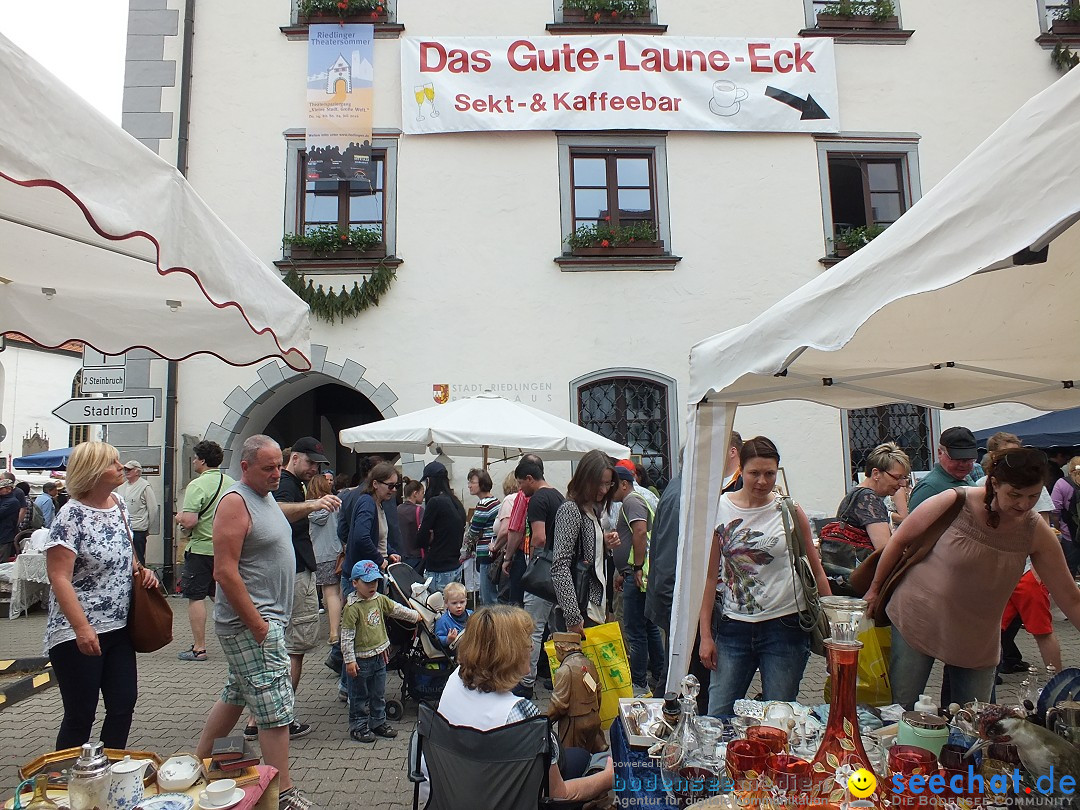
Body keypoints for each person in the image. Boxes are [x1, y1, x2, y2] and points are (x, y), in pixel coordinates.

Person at [864, 447, 1080, 708]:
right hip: (918, 617)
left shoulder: (1036, 532)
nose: (1023, 504)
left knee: (973, 719)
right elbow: (898, 542)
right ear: (994, 484)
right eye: (1014, 495)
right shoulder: (954, 501)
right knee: (902, 709)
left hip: (976, 636)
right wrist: (874, 590)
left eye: (1033, 496)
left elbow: (1070, 597)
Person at [194, 435, 312, 810]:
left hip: (262, 621)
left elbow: (278, 520)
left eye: (280, 465)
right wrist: (260, 626)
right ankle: (283, 794)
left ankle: (199, 764)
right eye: (268, 468)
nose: (277, 473)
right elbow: (224, 572)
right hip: (253, 624)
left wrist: (311, 505)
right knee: (275, 709)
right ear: (245, 467)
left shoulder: (264, 496)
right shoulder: (235, 501)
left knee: (236, 693)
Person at [698, 436, 832, 717]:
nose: (762, 481)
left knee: (778, 715)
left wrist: (832, 628)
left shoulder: (790, 510)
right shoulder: (719, 508)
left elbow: (816, 569)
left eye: (769, 473)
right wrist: (706, 636)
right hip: (733, 627)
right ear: (741, 471)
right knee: (718, 713)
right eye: (754, 473)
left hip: (785, 627)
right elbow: (710, 578)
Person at [42, 442, 160, 749]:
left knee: (122, 706)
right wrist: (82, 628)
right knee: (81, 715)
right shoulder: (71, 515)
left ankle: (110, 775)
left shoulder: (119, 503)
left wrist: (140, 569)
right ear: (92, 471)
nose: (120, 467)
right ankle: (65, 782)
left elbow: (124, 552)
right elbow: (58, 577)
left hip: (119, 627)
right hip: (77, 632)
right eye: (113, 463)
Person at [435, 605, 613, 803]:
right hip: (499, 797)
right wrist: (609, 778)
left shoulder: (455, 679)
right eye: (527, 641)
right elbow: (558, 794)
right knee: (585, 760)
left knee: (576, 755)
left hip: (456, 788)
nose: (532, 646)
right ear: (509, 653)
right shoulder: (518, 712)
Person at [267, 436, 342, 741]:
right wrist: (313, 503)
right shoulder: (285, 484)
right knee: (294, 649)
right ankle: (282, 717)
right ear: (294, 458)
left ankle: (259, 719)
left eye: (318, 464)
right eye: (310, 462)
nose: (314, 469)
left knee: (282, 649)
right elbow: (277, 511)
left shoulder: (289, 482)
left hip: (292, 569)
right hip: (294, 572)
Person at [341, 560, 419, 743]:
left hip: (380, 656)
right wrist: (349, 660)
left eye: (375, 582)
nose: (372, 586)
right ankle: (358, 726)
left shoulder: (379, 599)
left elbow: (396, 609)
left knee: (378, 692)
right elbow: (346, 637)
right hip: (361, 659)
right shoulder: (352, 608)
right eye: (367, 583)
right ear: (354, 583)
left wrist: (416, 616)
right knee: (359, 696)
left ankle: (378, 721)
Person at [820, 442, 911, 595]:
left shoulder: (854, 494)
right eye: (897, 478)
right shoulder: (868, 499)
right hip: (861, 586)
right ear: (876, 473)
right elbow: (884, 549)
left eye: (904, 478)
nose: (901, 484)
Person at [508, 456, 563, 699]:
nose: (521, 488)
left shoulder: (538, 499)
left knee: (533, 628)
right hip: (560, 572)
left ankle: (526, 682)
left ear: (530, 479)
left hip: (543, 573)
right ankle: (561, 677)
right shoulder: (558, 496)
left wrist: (534, 563)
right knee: (556, 629)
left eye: (521, 483)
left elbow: (539, 537)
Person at [176, 440, 234, 662]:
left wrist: (180, 517)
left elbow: (190, 520)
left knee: (195, 595)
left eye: (195, 458)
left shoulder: (196, 485)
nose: (193, 461)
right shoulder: (231, 482)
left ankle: (199, 647)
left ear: (201, 460)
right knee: (223, 595)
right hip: (226, 548)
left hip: (201, 548)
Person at [552, 449, 619, 638]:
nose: (604, 490)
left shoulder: (591, 510)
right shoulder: (570, 510)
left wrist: (603, 546)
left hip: (592, 607)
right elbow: (560, 566)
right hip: (580, 610)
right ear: (585, 479)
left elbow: (585, 556)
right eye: (599, 483)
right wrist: (573, 617)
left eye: (608, 483)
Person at [611, 464, 663, 695]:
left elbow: (640, 532)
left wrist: (637, 568)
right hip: (636, 573)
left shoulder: (631, 500)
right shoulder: (637, 499)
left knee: (635, 631)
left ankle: (640, 683)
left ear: (624, 484)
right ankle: (660, 674)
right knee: (649, 627)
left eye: (612, 486)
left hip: (638, 574)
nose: (609, 492)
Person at [415, 461, 467, 592]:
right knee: (454, 609)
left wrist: (429, 536)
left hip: (438, 568)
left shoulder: (435, 502)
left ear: (429, 480)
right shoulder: (456, 503)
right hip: (455, 565)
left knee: (436, 610)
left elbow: (420, 540)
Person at [308, 472, 343, 655]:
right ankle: (336, 631)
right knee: (335, 593)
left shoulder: (307, 508)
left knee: (326, 593)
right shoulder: (334, 504)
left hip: (318, 554)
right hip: (335, 553)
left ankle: (333, 631)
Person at [907, 426, 979, 512]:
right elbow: (915, 524)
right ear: (940, 453)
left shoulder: (965, 478)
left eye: (969, 459)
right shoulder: (928, 488)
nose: (963, 464)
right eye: (957, 459)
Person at [464, 468, 500, 606]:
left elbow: (473, 531)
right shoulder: (495, 501)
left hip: (486, 553)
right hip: (493, 552)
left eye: (472, 482)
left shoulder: (484, 504)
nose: (469, 485)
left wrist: (468, 543)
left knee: (487, 597)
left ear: (482, 483)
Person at [117, 460, 158, 566]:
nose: (126, 471)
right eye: (125, 469)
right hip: (123, 529)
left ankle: (140, 581)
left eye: (129, 469)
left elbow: (153, 509)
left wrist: (148, 528)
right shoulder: (121, 486)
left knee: (138, 559)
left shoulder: (145, 486)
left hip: (138, 529)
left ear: (137, 471)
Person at [1051, 455, 1080, 574]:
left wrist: (1057, 527)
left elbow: (1054, 510)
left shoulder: (1062, 484)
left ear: (1069, 468)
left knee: (1069, 570)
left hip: (1070, 534)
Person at [396, 480, 425, 570]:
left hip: (400, 554)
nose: (423, 495)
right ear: (415, 493)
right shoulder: (419, 511)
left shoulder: (398, 509)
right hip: (416, 555)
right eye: (422, 492)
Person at [434, 581, 471, 647]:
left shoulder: (471, 615)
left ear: (466, 600)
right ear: (446, 603)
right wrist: (448, 639)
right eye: (454, 603)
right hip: (457, 651)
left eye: (462, 602)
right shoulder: (443, 621)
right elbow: (438, 640)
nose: (459, 606)